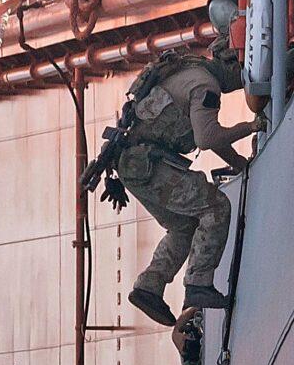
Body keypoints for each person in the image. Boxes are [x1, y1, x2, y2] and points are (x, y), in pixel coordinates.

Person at [97, 41, 259, 325]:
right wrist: (252, 127)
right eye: (242, 70)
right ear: (232, 65)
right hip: (147, 163)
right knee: (216, 207)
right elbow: (206, 139)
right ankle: (198, 284)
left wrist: (240, 164)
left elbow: (207, 134)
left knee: (183, 226)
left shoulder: (192, 71)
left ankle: (149, 287)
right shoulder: (207, 86)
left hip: (135, 165)